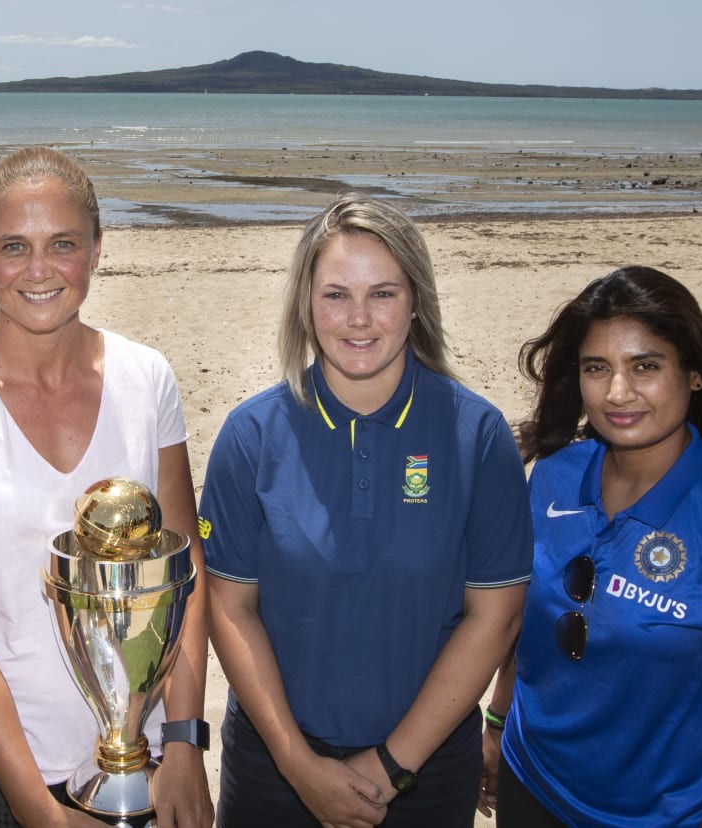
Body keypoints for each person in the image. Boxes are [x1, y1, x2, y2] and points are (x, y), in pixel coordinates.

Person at [0, 146, 213, 828]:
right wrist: (36, 809)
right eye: (14, 246)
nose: (39, 270)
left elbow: (186, 575)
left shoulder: (147, 380)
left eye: (62, 244)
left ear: (97, 250)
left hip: (144, 766)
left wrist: (184, 742)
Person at [199, 193, 531, 828]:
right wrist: (299, 766)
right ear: (305, 303)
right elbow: (230, 608)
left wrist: (391, 766)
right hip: (275, 770)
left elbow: (495, 620)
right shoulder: (252, 435)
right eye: (335, 295)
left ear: (416, 301)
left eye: (382, 293)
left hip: (425, 775)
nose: (358, 319)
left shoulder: (477, 436)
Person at [481, 266, 702, 827]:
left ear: (693, 373)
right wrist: (496, 725)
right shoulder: (553, 477)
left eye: (645, 366)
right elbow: (529, 627)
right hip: (530, 782)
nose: (618, 392)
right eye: (597, 368)